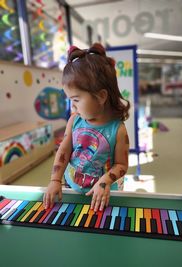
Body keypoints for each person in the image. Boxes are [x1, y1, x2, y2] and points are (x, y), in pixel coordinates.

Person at [43, 43, 130, 212]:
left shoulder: (118, 130)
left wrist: (104, 182)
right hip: (71, 184)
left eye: (76, 100)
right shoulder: (74, 120)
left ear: (101, 96)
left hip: (103, 192)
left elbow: (121, 165)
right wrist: (55, 180)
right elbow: (64, 151)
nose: (72, 107)